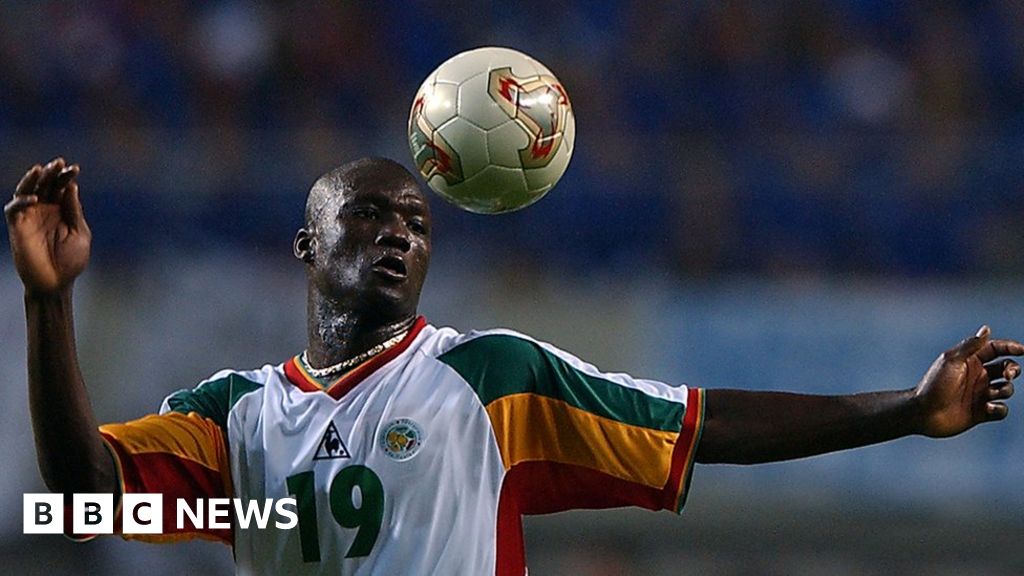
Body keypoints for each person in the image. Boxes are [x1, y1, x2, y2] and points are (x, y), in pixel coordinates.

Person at [6, 156, 1022, 575]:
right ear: (306, 246)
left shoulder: (492, 378)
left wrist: (907, 407)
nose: (400, 234)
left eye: (417, 222)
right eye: (367, 215)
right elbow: (84, 494)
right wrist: (51, 306)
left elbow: (697, 424)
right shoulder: (234, 413)